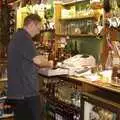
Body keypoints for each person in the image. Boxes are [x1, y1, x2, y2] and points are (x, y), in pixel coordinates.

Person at [7, 14, 53, 120]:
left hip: (19, 92)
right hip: (25, 93)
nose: (39, 31)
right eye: (38, 28)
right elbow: (38, 60)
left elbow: (25, 62)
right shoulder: (24, 38)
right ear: (31, 24)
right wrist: (49, 63)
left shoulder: (18, 36)